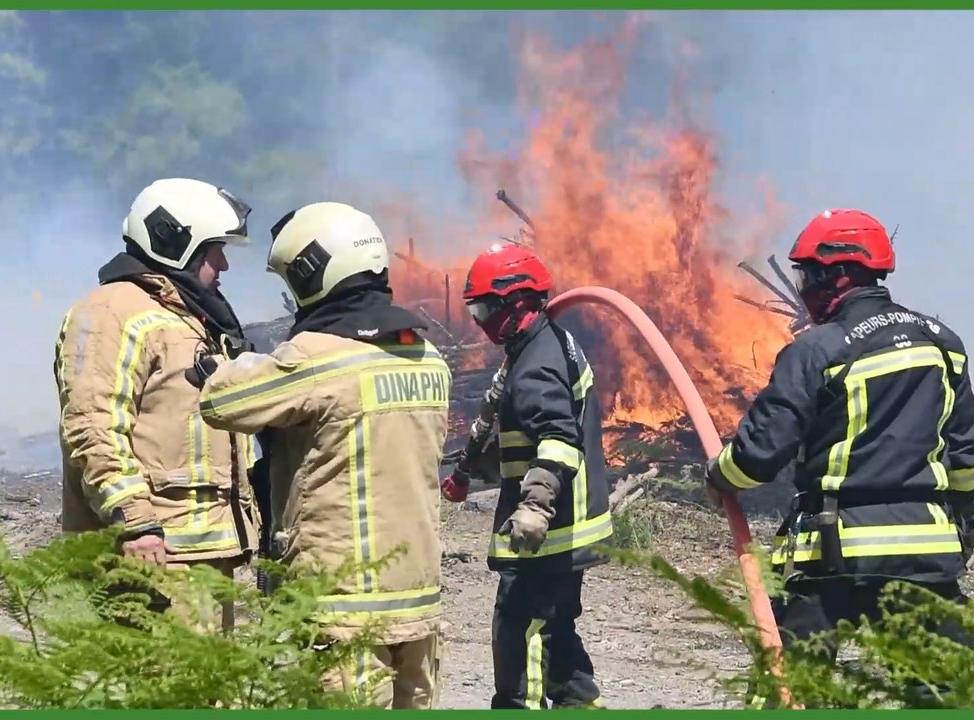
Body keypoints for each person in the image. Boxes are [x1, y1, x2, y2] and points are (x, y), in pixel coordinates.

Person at [703, 208, 974, 705]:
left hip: (834, 556)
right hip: (925, 555)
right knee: (940, 693)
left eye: (808, 274)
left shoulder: (818, 350)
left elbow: (758, 456)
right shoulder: (943, 344)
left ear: (838, 275)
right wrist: (963, 524)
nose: (804, 287)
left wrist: (718, 474)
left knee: (791, 692)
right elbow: (966, 454)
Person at [194, 201, 450, 709]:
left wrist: (215, 365)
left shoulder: (319, 358)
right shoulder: (429, 359)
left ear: (315, 273)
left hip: (343, 602)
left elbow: (222, 401)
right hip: (418, 596)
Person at [54, 177, 260, 634]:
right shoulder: (112, 314)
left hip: (197, 552)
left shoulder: (185, 315)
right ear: (176, 246)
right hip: (154, 554)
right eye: (214, 250)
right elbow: (93, 426)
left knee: (207, 699)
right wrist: (136, 523)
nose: (223, 264)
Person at [442, 242, 612, 710]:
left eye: (482, 309)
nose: (478, 321)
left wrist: (535, 506)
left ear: (516, 303)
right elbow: (510, 432)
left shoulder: (537, 362)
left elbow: (557, 438)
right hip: (569, 528)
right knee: (557, 636)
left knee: (524, 634)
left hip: (550, 534)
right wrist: (465, 473)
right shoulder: (540, 345)